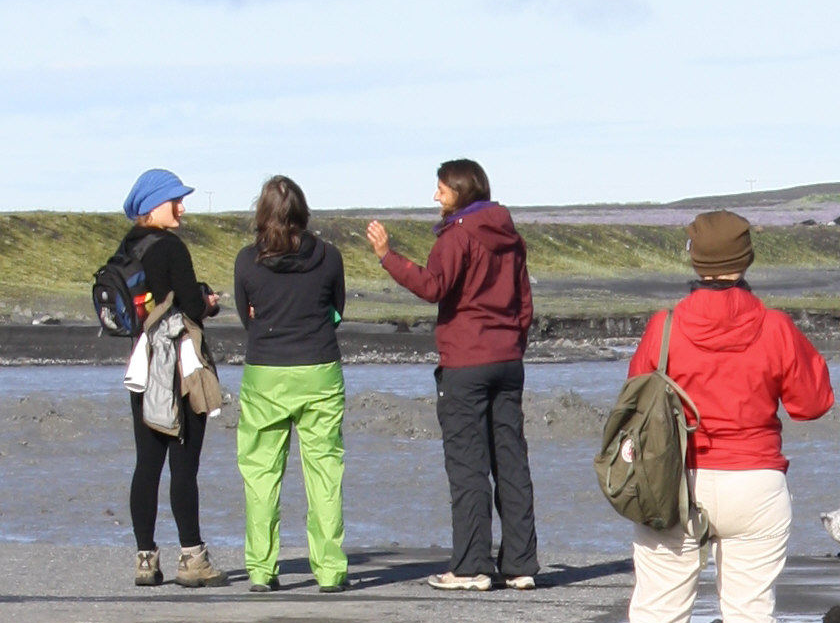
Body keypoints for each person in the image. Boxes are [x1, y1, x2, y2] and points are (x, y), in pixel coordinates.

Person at [592, 209, 832, 623]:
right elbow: (813, 402)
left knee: (652, 622)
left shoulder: (665, 326)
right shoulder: (775, 327)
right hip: (755, 483)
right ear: (745, 259)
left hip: (677, 485)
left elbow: (634, 398)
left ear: (693, 258)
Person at [364, 160, 538, 590]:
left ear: (459, 191)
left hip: (466, 363)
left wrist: (388, 257)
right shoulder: (509, 236)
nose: (435, 196)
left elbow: (432, 287)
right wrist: (513, 344)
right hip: (506, 361)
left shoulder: (457, 235)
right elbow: (524, 302)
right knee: (511, 461)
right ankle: (520, 564)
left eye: (441, 189)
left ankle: (471, 566)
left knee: (468, 464)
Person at [232, 176, 350, 593]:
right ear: (302, 211)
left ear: (261, 214)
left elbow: (247, 320)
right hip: (319, 367)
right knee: (324, 471)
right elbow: (337, 310)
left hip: (266, 370)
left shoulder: (247, 261)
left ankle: (262, 570)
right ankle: (331, 570)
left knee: (261, 473)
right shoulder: (330, 257)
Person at [115, 169, 225, 589]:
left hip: (142, 365)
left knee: (146, 463)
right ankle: (192, 558)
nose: (181, 207)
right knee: (183, 465)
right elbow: (192, 308)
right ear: (150, 207)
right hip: (177, 367)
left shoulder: (127, 248)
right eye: (174, 200)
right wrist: (208, 302)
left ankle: (145, 560)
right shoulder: (172, 247)